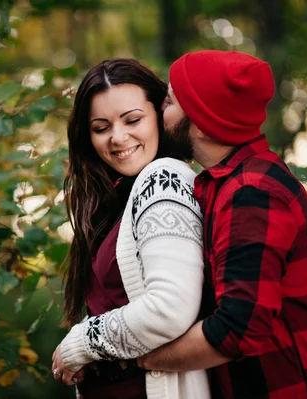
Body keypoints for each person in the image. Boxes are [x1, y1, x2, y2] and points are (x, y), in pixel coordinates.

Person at [138, 50, 307, 398]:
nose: (158, 111)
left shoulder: (252, 193)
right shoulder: (226, 184)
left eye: (168, 102)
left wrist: (140, 360)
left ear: (199, 121)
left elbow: (238, 328)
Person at [51, 58, 211, 399]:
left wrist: (81, 343)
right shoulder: (119, 197)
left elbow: (169, 308)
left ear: (160, 113)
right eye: (100, 127)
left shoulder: (163, 180)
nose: (118, 138)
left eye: (132, 120)